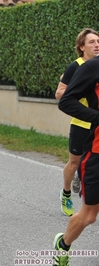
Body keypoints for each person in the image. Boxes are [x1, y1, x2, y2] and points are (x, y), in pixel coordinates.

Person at [55, 47, 99, 266]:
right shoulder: (92, 67)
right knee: (89, 216)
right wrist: (97, 117)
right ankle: (63, 245)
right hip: (98, 152)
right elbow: (66, 101)